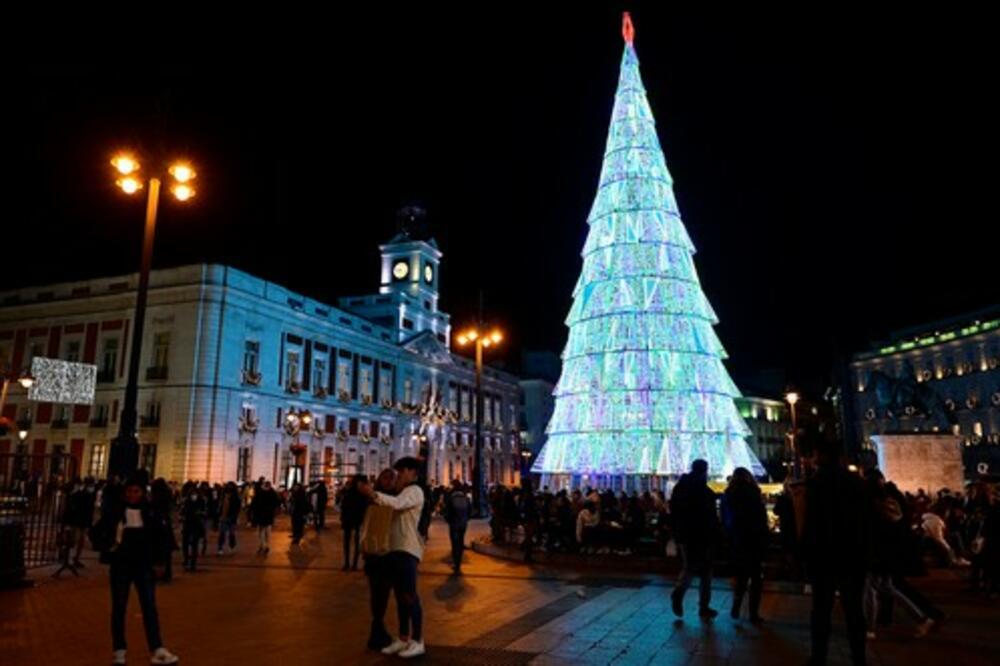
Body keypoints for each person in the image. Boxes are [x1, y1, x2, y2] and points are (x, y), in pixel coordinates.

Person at [93, 474, 180, 665]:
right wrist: (108, 546)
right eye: (129, 491)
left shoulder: (150, 512)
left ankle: (157, 648)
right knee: (119, 608)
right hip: (121, 565)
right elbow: (96, 532)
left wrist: (159, 562)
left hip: (143, 566)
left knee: (149, 607)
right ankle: (119, 651)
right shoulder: (116, 512)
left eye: (136, 491)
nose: (132, 495)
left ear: (143, 493)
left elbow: (161, 537)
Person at [802, 437, 870, 666]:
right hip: (852, 555)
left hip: (823, 557)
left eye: (813, 454)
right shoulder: (856, 482)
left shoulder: (815, 484)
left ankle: (819, 657)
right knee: (854, 610)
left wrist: (806, 555)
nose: (811, 459)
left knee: (821, 610)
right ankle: (858, 657)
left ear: (821, 456)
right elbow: (866, 520)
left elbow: (810, 523)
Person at [359, 457, 427, 659]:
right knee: (400, 597)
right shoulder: (404, 491)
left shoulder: (415, 491)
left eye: (401, 472)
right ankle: (404, 638)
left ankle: (418, 640)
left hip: (407, 550)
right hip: (395, 550)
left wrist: (373, 493)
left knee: (409, 596)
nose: (398, 476)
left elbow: (396, 504)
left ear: (410, 472)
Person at [669, 459, 720, 619]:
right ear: (704, 470)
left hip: (686, 535)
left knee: (690, 568)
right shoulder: (700, 489)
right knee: (702, 571)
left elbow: (674, 511)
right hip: (700, 535)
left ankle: (682, 594)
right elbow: (708, 513)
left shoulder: (681, 487)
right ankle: (700, 604)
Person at [721, 467, 769, 622]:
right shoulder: (753, 493)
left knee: (741, 576)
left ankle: (736, 604)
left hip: (737, 539)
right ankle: (753, 613)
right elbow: (761, 519)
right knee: (756, 577)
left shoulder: (728, 494)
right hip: (753, 539)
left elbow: (724, 517)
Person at [360, 468, 397, 650]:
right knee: (380, 594)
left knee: (379, 594)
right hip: (383, 553)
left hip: (374, 552)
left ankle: (378, 630)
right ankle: (377, 630)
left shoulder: (373, 498)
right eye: (387, 478)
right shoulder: (388, 499)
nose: (389, 481)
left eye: (391, 479)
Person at [64, 476, 97, 568]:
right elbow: (86, 509)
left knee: (74, 539)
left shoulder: (79, 493)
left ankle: (71, 558)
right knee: (76, 540)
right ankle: (73, 559)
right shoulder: (83, 494)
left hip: (77, 519)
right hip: (79, 520)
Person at [442, 478, 471, 573]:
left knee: (455, 544)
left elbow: (447, 512)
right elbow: (470, 512)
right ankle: (459, 562)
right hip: (463, 524)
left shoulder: (452, 498)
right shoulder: (466, 498)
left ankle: (456, 564)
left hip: (454, 524)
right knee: (461, 541)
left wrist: (449, 521)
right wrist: (466, 519)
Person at [340, 475, 368, 570]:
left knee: (356, 542)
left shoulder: (363, 494)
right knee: (348, 542)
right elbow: (343, 507)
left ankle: (354, 564)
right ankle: (348, 563)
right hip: (350, 519)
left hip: (357, 520)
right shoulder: (351, 493)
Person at [250, 479, 279, 555]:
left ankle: (264, 545)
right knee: (267, 532)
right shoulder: (273, 492)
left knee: (261, 531)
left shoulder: (260, 492)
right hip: (269, 514)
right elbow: (277, 503)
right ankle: (265, 545)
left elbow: (254, 503)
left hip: (261, 514)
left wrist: (252, 511)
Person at [217, 482, 241, 555]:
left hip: (231, 517)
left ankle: (231, 546)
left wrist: (236, 517)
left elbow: (237, 508)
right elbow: (220, 506)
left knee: (231, 534)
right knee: (222, 533)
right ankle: (220, 548)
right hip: (223, 517)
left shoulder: (236, 497)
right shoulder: (223, 496)